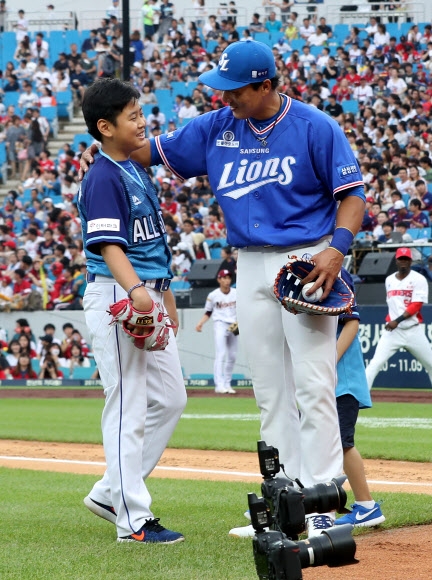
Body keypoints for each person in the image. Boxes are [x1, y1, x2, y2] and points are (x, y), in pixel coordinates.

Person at [81, 41, 365, 537]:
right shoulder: (217, 127)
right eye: (224, 88)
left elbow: (352, 196)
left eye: (236, 89)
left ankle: (320, 502)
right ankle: (285, 508)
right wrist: (107, 151)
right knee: (270, 392)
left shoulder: (315, 126)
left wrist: (336, 250)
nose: (226, 96)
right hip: (249, 262)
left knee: (314, 384)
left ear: (266, 85)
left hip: (307, 260)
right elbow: (146, 151)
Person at [79, 78, 186, 544]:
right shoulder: (102, 174)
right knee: (127, 405)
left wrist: (164, 296)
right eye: (133, 116)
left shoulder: (134, 168)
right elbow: (106, 244)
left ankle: (110, 491)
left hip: (145, 293)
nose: (142, 122)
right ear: (105, 127)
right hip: (117, 295)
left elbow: (151, 243)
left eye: (141, 113)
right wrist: (139, 289)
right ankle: (133, 520)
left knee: (172, 397)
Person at [332, 269, 385, 528]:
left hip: (343, 381)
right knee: (311, 440)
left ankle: (366, 506)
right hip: (326, 383)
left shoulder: (337, 272)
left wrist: (329, 360)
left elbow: (352, 321)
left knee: (342, 443)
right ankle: (300, 501)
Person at [366, 247, 432, 390]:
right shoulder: (389, 280)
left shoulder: (419, 279)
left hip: (413, 330)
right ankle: (359, 400)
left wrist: (398, 320)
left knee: (431, 364)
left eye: (406, 259)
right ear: (396, 260)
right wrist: (394, 321)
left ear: (410, 261)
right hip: (392, 333)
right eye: (401, 259)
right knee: (375, 364)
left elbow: (416, 305)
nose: (403, 262)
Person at [195, 269, 238, 394]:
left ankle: (227, 384)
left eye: (228, 278)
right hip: (220, 323)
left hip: (234, 323)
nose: (227, 280)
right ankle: (219, 385)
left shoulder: (236, 293)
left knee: (233, 355)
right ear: (219, 279)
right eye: (224, 278)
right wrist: (200, 323)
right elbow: (208, 312)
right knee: (221, 353)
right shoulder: (213, 295)